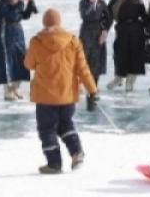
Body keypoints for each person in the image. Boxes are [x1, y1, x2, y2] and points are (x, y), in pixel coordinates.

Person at [25, 9, 99, 174]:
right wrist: (93, 90)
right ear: (59, 22)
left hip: (45, 97)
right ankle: (76, 151)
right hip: (68, 95)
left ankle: (54, 164)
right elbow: (83, 69)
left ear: (44, 23)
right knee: (65, 124)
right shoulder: (73, 40)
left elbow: (28, 65)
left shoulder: (37, 42)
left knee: (47, 129)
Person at [0, 0, 38, 101]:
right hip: (6, 33)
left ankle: (16, 87)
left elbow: (23, 16)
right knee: (7, 60)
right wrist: (20, 3)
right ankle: (8, 90)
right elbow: (11, 16)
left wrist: (30, 4)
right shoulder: (1, 4)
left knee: (21, 58)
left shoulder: (17, 2)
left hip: (18, 32)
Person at [106, 0, 148, 91]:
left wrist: (148, 32)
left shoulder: (136, 0)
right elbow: (108, 18)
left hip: (136, 32)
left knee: (135, 57)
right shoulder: (114, 1)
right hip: (121, 31)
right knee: (120, 56)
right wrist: (104, 31)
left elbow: (144, 17)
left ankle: (130, 81)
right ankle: (119, 78)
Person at [78, 0, 110, 94]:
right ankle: (80, 83)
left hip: (98, 34)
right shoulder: (83, 3)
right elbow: (85, 16)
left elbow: (107, 19)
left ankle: (94, 84)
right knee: (83, 58)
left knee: (97, 60)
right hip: (86, 34)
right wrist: (92, 4)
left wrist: (105, 31)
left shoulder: (103, 4)